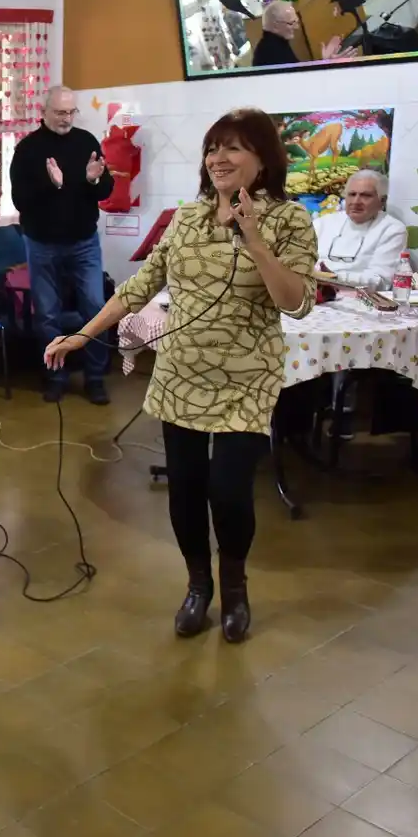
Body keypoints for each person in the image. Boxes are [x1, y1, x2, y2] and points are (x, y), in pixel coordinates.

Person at [45, 108, 317, 644]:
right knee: (186, 489)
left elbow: (298, 302)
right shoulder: (187, 218)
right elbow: (137, 288)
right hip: (180, 374)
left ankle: (235, 588)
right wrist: (82, 334)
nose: (219, 156)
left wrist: (255, 239)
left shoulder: (288, 220)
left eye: (234, 147)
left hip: (246, 377)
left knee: (230, 490)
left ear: (262, 160)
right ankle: (198, 587)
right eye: (214, 147)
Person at [10, 86, 114, 405]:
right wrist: (50, 184)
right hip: (42, 244)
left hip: (83, 242)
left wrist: (95, 180)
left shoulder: (86, 142)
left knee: (96, 308)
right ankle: (55, 376)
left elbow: (105, 190)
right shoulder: (28, 150)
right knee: (47, 315)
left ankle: (95, 378)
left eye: (71, 112)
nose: (66, 119)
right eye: (60, 112)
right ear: (44, 112)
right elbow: (20, 200)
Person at [313, 169, 407, 290]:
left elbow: (381, 281)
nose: (356, 202)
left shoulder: (392, 229)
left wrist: (332, 278)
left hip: (360, 299)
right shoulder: (322, 223)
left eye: (365, 196)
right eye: (352, 194)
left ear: (382, 201)